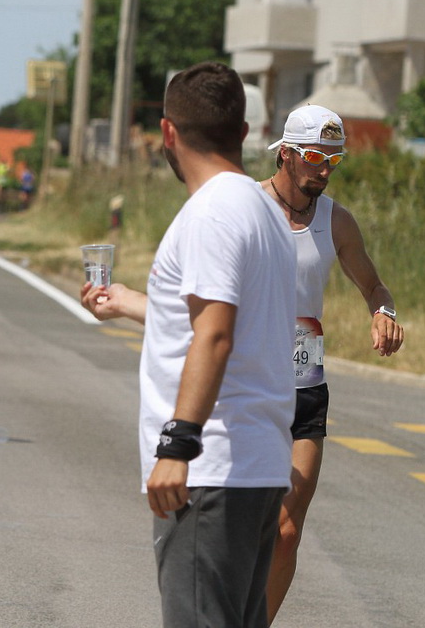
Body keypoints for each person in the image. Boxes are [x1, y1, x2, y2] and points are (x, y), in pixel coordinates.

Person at [80, 62, 297, 628]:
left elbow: (217, 336)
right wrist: (133, 305)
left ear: (167, 133)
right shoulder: (262, 209)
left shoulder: (212, 213)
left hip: (212, 468)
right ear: (244, 133)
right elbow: (226, 325)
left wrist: (178, 446)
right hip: (257, 464)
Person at [260, 105, 403, 624]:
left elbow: (374, 284)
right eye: (316, 158)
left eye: (333, 161)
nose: (323, 170)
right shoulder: (249, 208)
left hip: (304, 379)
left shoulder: (336, 220)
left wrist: (382, 311)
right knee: (237, 525)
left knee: (287, 529)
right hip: (249, 385)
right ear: (287, 152)